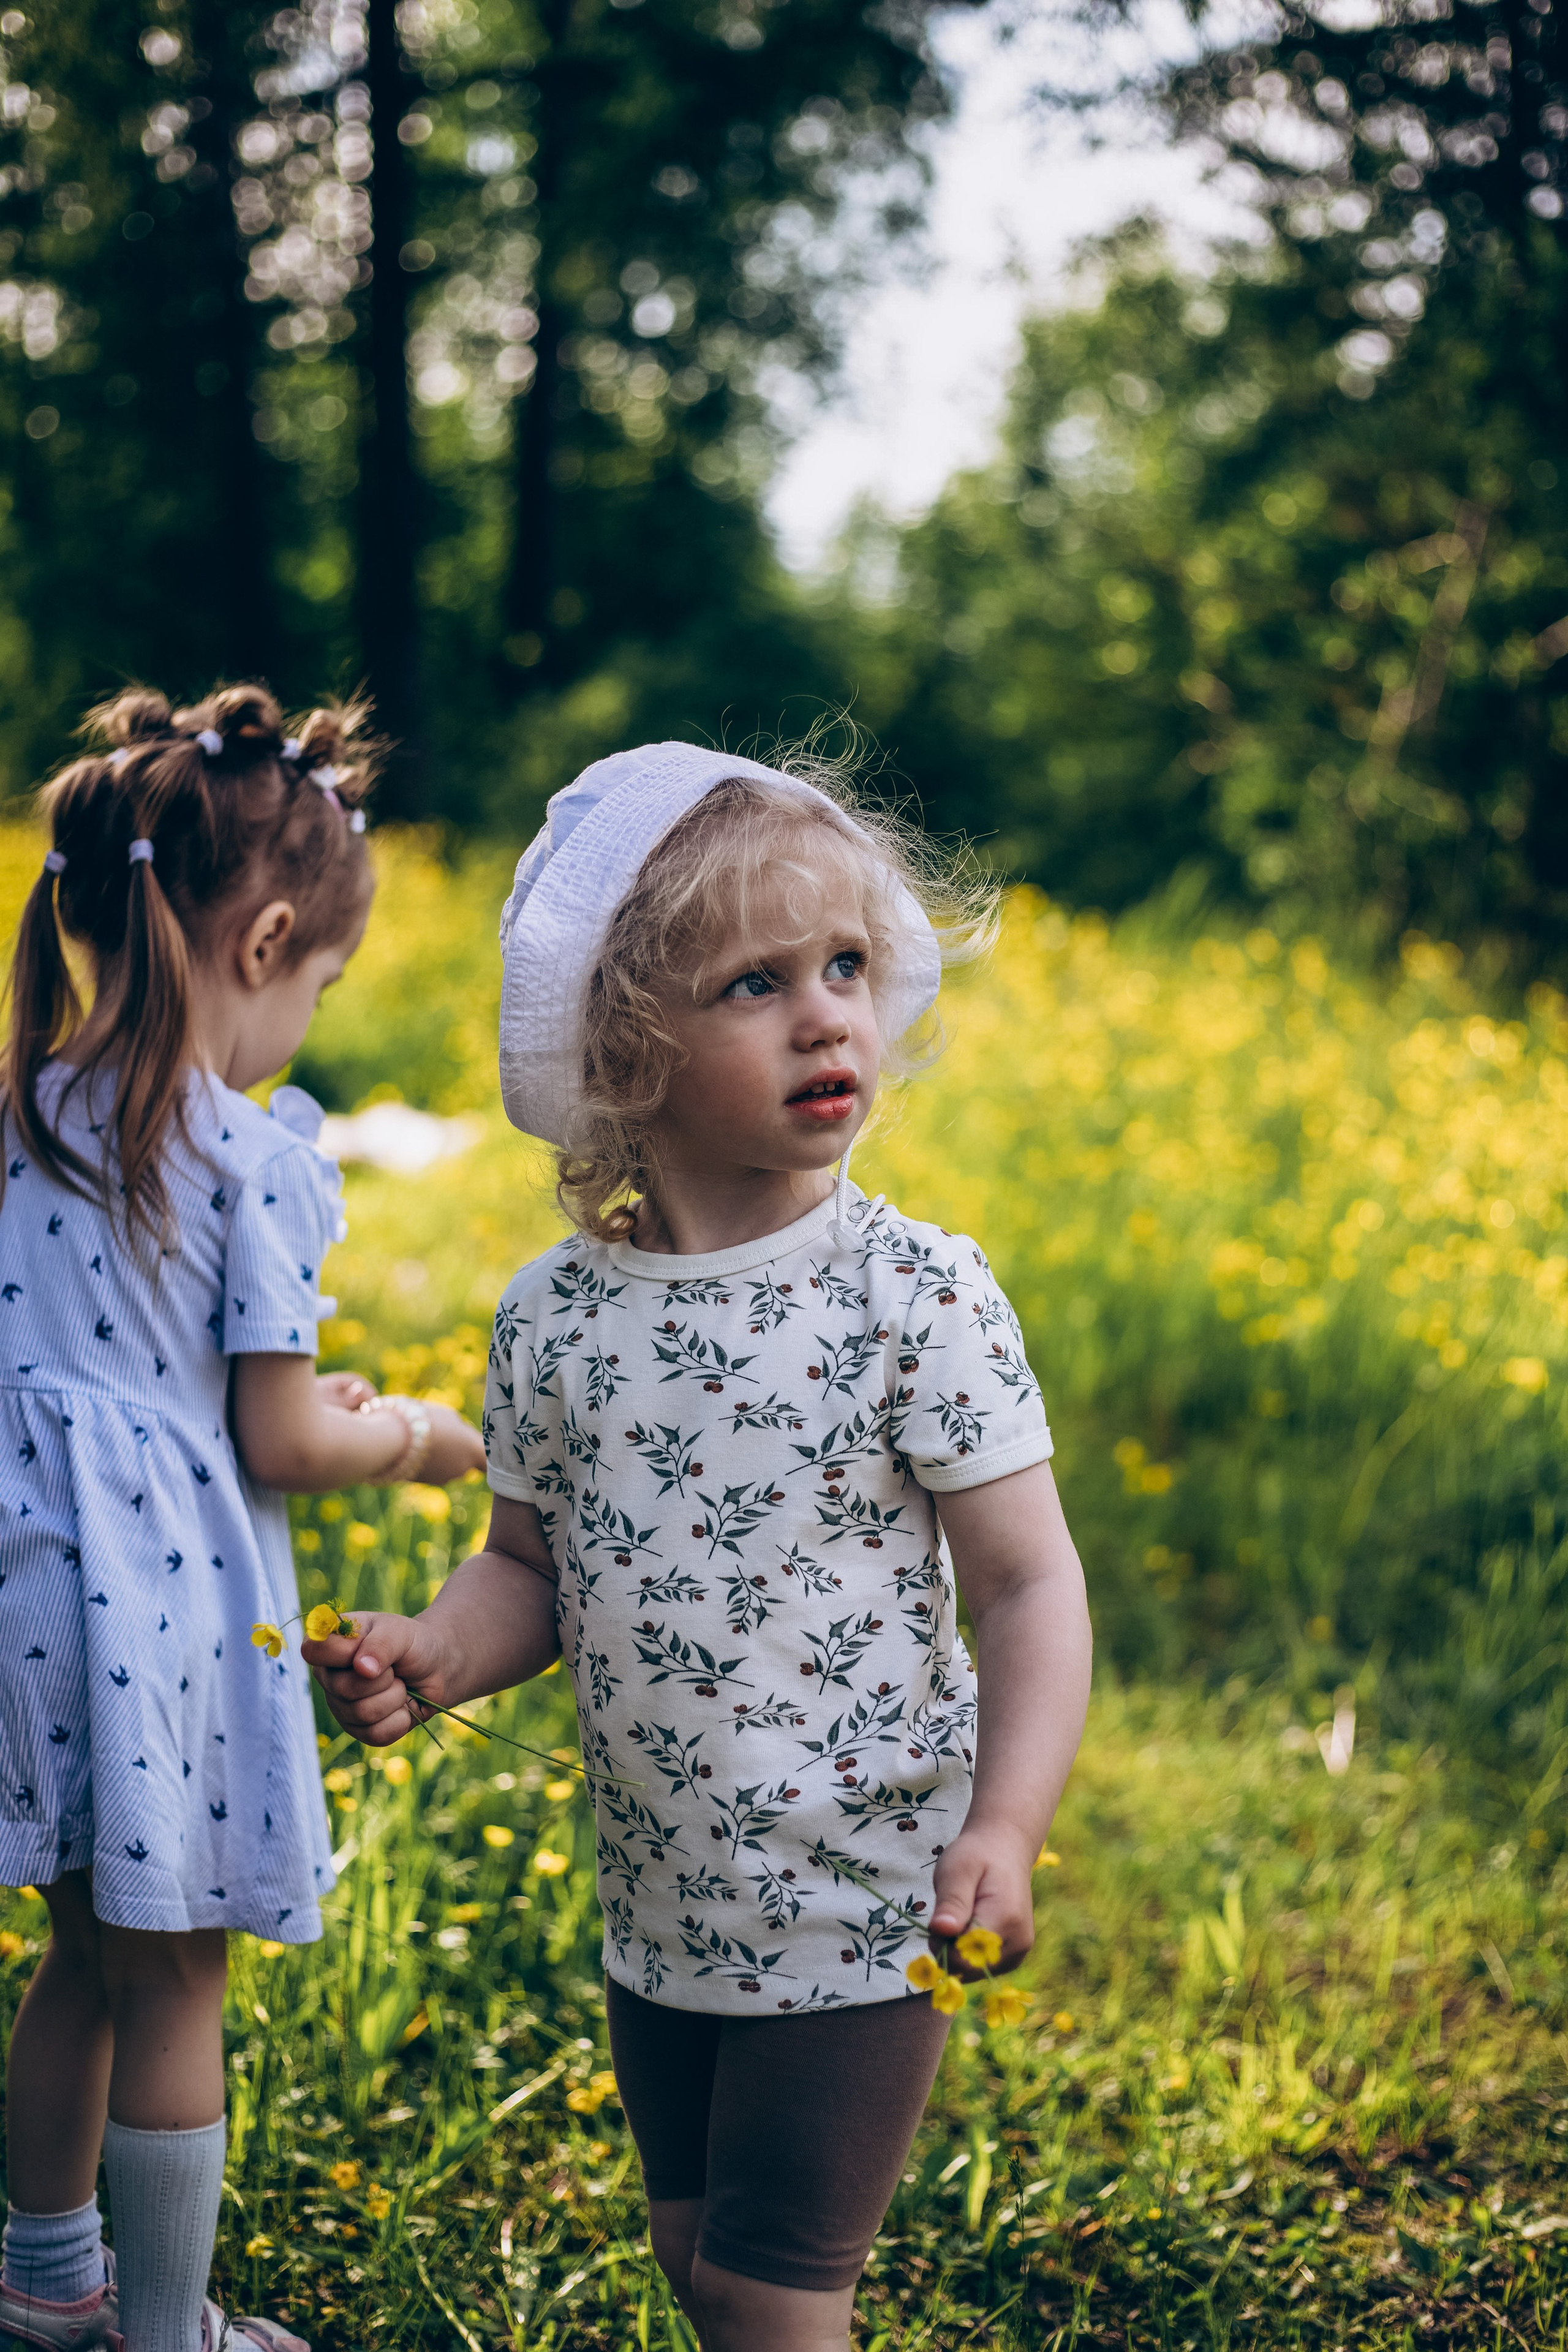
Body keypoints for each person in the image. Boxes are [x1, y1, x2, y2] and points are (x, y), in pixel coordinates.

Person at [307, 744, 1093, 2352]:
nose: (828, 1017)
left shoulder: (915, 1296)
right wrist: (437, 1653)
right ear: (625, 1051)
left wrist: (1005, 1823)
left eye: (849, 967)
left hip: (868, 1895)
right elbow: (528, 1567)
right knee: (695, 2262)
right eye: (757, 982)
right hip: (666, 1905)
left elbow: (1027, 1585)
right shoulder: (557, 1323)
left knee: (768, 2292)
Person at [0, 685, 483, 2352]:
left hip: (32, 1603)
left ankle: (50, 2291)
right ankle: (166, 2336)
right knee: (180, 1979)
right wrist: (416, 1437)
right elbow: (279, 1433)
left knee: (79, 1959)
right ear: (270, 938)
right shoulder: (240, 1153)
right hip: (158, 1621)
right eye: (328, 982)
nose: (314, 1013)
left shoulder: (23, 1117)